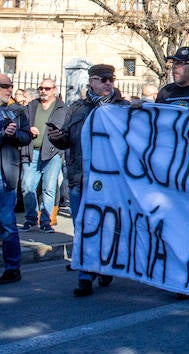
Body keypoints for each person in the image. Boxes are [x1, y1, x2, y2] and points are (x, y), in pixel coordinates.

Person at [47, 64, 129, 297]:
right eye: (102, 79)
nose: (107, 83)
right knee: (82, 227)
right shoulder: (77, 108)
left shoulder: (122, 108)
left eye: (110, 79)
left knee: (108, 226)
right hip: (79, 179)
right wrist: (57, 138)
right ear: (91, 81)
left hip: (111, 182)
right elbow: (67, 141)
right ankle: (85, 275)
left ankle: (104, 265)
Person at [21, 79, 67, 232]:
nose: (43, 91)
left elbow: (66, 130)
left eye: (47, 88)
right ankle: (30, 219)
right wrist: (29, 128)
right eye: (41, 88)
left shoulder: (62, 107)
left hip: (53, 153)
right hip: (32, 150)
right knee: (27, 185)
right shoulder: (32, 105)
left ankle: (46, 221)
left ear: (54, 90)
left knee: (48, 188)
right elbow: (23, 124)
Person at [0, 73, 31, 284]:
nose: (9, 90)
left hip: (6, 175)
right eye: (4, 86)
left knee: (7, 223)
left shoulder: (16, 112)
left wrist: (13, 134)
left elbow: (26, 135)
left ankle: (12, 267)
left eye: (10, 86)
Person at [137, 47, 189, 111]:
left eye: (180, 63)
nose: (175, 66)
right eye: (174, 63)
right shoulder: (165, 91)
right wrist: (140, 109)